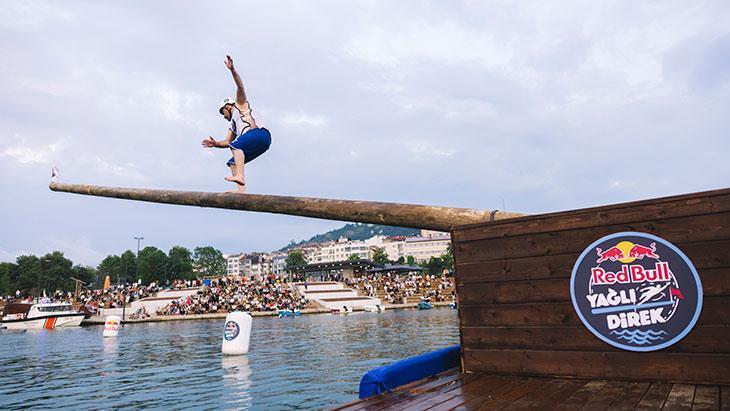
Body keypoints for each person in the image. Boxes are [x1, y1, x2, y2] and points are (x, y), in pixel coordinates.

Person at [202, 55, 271, 193]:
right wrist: (215, 144)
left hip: (259, 134)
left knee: (236, 145)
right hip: (261, 143)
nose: (224, 116)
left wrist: (232, 70)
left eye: (223, 113)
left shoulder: (240, 104)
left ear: (228, 106)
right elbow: (227, 141)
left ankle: (240, 176)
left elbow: (240, 86)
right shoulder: (233, 124)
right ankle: (241, 191)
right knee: (232, 161)